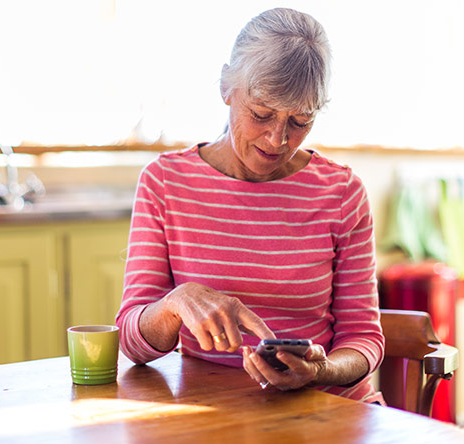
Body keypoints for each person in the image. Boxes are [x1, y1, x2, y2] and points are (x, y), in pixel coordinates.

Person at [116, 7, 384, 403]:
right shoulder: (165, 183)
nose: (277, 139)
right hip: (215, 415)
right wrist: (174, 304)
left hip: (331, 409)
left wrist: (320, 370)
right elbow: (132, 344)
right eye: (261, 114)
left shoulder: (342, 192)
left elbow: (363, 338)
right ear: (226, 87)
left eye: (300, 121)